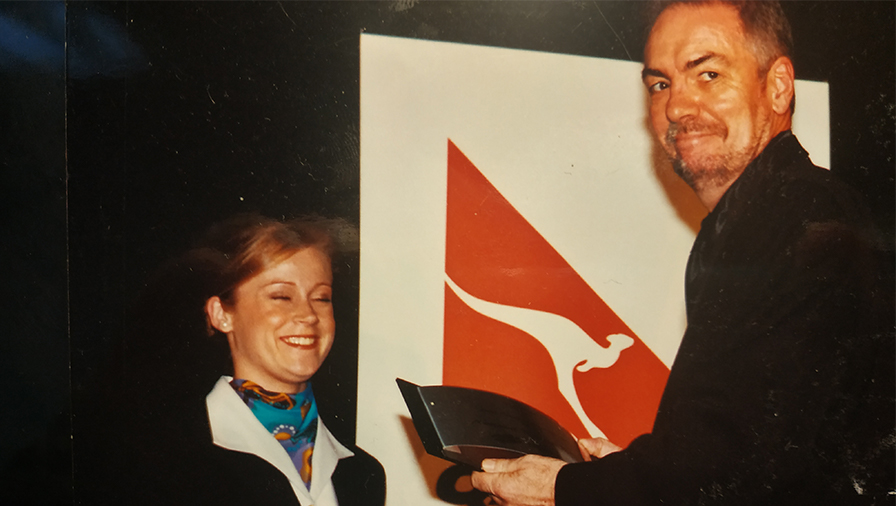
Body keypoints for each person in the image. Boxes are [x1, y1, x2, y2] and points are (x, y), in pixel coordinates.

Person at [471, 1, 894, 505]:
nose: (677, 107)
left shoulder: (799, 217)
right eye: (660, 84)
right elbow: (743, 456)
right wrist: (628, 473)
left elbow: (723, 470)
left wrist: (561, 488)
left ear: (778, 86)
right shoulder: (758, 219)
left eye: (708, 74)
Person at [112, 214, 386, 506]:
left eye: (321, 297)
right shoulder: (160, 461)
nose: (308, 315)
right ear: (222, 314)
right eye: (281, 296)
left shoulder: (361, 473)